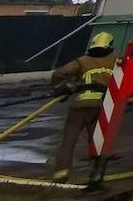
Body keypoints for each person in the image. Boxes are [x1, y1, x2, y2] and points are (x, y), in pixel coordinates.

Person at [50, 30, 117, 183]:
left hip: (80, 105)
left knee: (69, 140)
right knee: (98, 140)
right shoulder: (115, 61)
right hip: (102, 106)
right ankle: (96, 174)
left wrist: (61, 89)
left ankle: (61, 174)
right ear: (110, 46)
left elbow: (59, 73)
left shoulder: (82, 61)